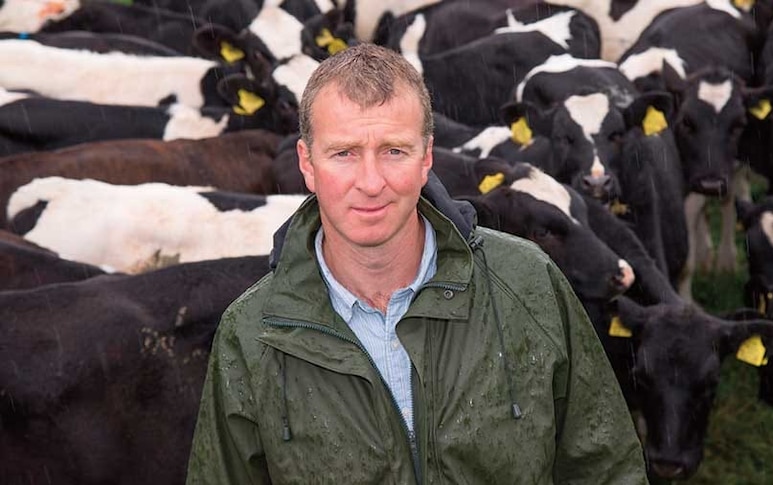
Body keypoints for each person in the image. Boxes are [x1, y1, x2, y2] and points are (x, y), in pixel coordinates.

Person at [185, 43, 647, 484]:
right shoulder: (250, 333)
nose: (370, 182)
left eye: (394, 151)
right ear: (307, 163)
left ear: (427, 157)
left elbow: (605, 467)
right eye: (344, 153)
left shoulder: (527, 282)